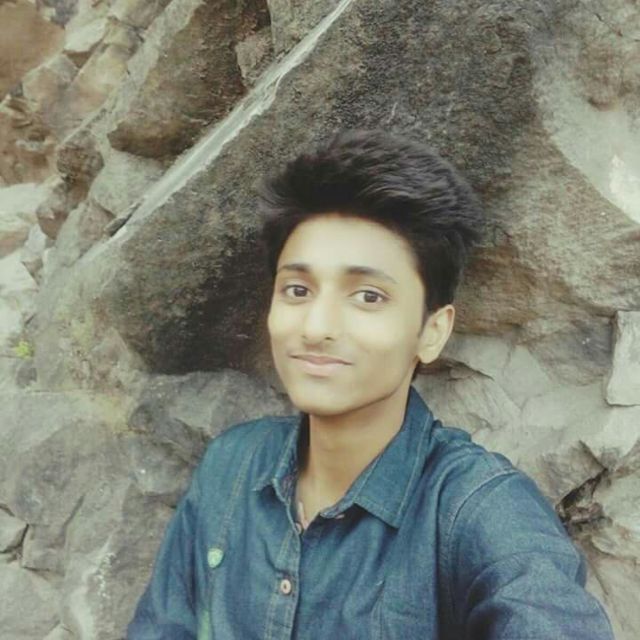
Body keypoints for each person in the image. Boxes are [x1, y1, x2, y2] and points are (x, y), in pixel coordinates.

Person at [127, 129, 615, 639]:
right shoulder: (231, 466)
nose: (316, 327)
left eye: (368, 297)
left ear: (432, 331)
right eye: (297, 289)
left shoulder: (477, 510)